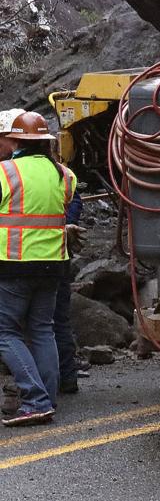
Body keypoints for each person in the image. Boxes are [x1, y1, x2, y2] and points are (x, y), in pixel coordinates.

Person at [0, 111, 78, 426]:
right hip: (54, 264)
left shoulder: (6, 173)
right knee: (42, 330)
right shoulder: (64, 174)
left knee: (5, 332)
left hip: (14, 263)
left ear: (16, 140)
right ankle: (47, 398)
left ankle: (35, 399)